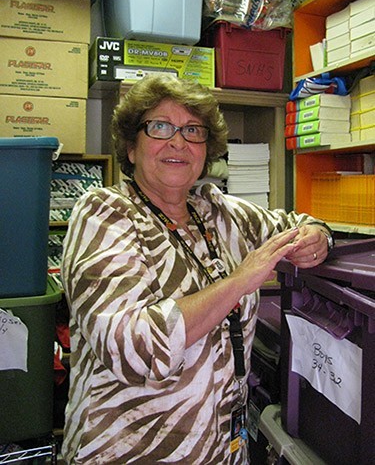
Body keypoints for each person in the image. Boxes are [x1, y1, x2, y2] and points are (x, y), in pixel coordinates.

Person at [61, 74, 333, 464]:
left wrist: (318, 236)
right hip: (130, 450)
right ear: (131, 147)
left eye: (192, 130)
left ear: (207, 149)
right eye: (159, 127)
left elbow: (300, 224)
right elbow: (133, 347)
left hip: (220, 447)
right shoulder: (105, 213)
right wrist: (240, 281)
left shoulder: (217, 211)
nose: (178, 141)